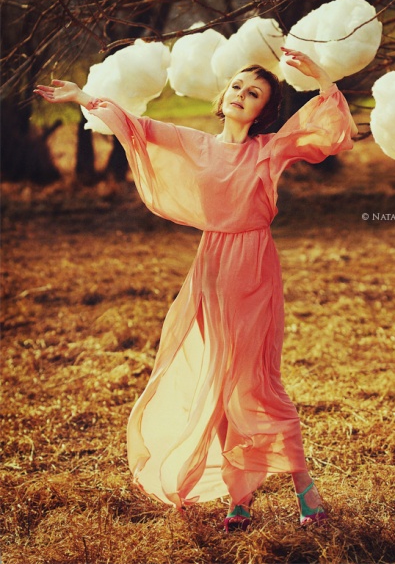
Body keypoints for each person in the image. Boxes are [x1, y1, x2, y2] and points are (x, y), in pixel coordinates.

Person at [34, 47, 358, 532]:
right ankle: (240, 498)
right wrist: (84, 97)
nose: (241, 95)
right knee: (222, 382)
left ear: (263, 110)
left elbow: (328, 132)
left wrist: (324, 77)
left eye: (254, 94)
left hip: (253, 267)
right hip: (211, 267)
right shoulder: (196, 144)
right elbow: (137, 127)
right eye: (237, 86)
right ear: (224, 95)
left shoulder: (269, 149)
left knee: (260, 382)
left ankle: (305, 491)